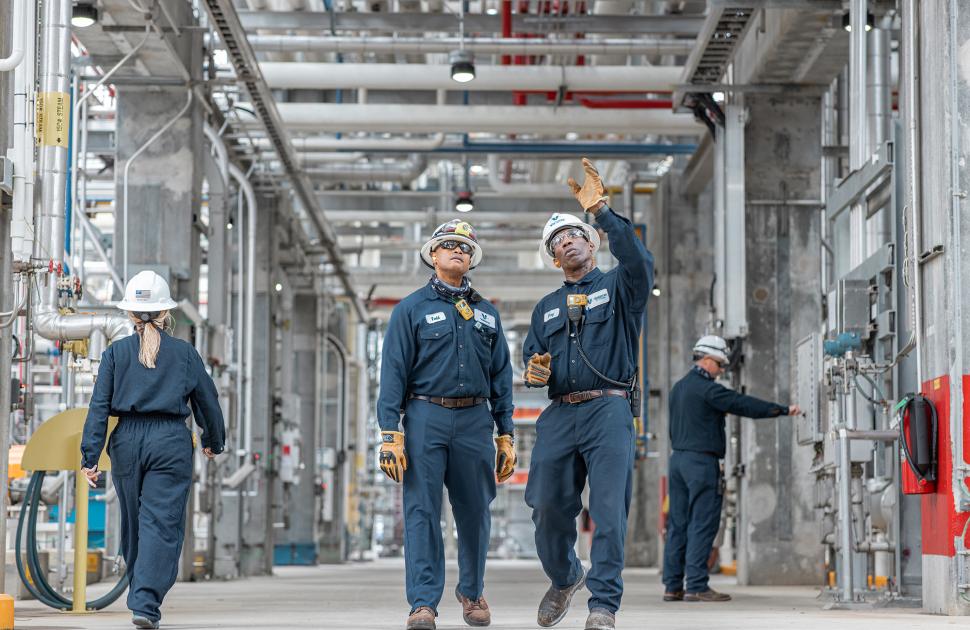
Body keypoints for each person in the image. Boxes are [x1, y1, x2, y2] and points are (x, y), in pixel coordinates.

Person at [522, 158, 653, 630]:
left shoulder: (621, 287)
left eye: (574, 234)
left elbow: (639, 260)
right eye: (557, 242)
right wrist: (534, 371)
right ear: (554, 258)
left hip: (609, 409)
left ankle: (604, 606)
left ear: (591, 242)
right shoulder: (545, 309)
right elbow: (533, 359)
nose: (567, 241)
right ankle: (565, 576)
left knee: (608, 511)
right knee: (545, 505)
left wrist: (601, 210)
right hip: (560, 414)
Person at [376, 219, 515, 630]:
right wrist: (390, 433)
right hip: (424, 417)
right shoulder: (411, 310)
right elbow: (393, 373)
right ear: (432, 256)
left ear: (471, 259)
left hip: (475, 419)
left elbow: (502, 377)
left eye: (465, 248)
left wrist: (505, 433)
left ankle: (471, 592)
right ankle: (423, 603)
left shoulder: (487, 314)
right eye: (449, 245)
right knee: (421, 511)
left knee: (475, 512)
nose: (458, 251)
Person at [79, 270, 225, 629]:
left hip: (127, 442)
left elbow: (99, 406)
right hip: (170, 442)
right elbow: (208, 400)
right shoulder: (185, 354)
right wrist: (212, 440)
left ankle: (141, 594)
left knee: (134, 524)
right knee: (161, 523)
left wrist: (90, 456)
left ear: (130, 314)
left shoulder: (115, 354)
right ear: (165, 313)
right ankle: (145, 602)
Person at [662, 335, 800, 602]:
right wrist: (782, 410)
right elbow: (744, 404)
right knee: (702, 523)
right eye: (720, 363)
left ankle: (672, 586)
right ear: (705, 359)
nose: (722, 369)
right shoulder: (708, 389)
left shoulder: (678, 388)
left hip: (677, 461)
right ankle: (697, 586)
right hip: (702, 464)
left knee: (678, 524)